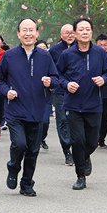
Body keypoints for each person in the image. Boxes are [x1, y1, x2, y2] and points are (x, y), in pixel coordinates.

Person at [0, 18, 58, 197]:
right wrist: (7, 92)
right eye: (24, 30)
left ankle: (27, 183)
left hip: (37, 110)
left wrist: (50, 81)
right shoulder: (9, 56)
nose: (28, 33)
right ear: (18, 34)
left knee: (33, 150)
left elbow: (56, 78)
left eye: (31, 30)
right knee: (19, 144)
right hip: (15, 110)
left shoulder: (45, 56)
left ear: (37, 33)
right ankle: (13, 167)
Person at [55, 18, 107, 190]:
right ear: (75, 33)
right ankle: (80, 176)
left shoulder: (99, 53)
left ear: (91, 32)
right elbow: (57, 76)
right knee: (77, 140)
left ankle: (85, 156)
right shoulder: (67, 55)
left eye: (88, 29)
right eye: (81, 29)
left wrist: (103, 79)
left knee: (92, 141)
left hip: (94, 105)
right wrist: (67, 84)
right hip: (73, 106)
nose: (85, 32)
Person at [48, 23, 75, 166]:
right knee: (63, 121)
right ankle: (67, 152)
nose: (70, 35)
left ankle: (78, 150)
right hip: (60, 91)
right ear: (61, 35)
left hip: (79, 91)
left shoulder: (83, 48)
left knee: (77, 121)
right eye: (66, 33)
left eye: (72, 32)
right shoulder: (54, 51)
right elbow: (51, 70)